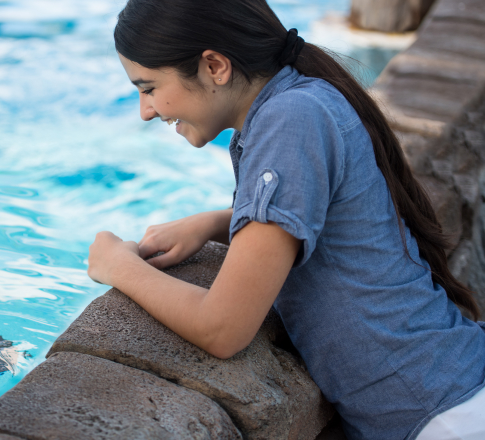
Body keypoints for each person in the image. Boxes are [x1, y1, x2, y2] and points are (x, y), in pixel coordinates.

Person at [85, 1, 485, 439]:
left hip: (447, 414)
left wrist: (119, 266)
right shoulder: (297, 101)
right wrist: (218, 222)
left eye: (148, 87)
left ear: (215, 65)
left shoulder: (289, 120)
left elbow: (223, 328)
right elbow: (334, 214)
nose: (145, 111)